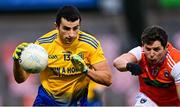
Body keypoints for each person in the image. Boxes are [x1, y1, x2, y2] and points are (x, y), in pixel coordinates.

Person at [12, 6, 112, 106]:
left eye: (75, 28)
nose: (71, 34)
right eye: (66, 29)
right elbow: (20, 79)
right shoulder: (43, 45)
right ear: (57, 26)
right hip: (47, 102)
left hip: (76, 102)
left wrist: (85, 70)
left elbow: (107, 79)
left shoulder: (90, 45)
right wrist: (17, 61)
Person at [113, 25, 180, 106]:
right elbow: (117, 62)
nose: (151, 54)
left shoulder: (176, 64)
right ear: (143, 45)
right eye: (148, 49)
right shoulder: (140, 52)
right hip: (149, 100)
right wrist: (129, 66)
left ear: (166, 47)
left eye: (156, 49)